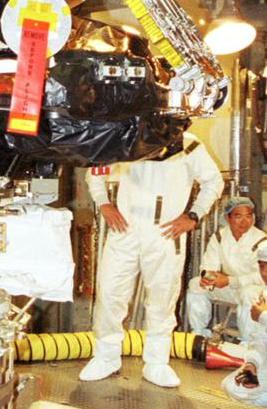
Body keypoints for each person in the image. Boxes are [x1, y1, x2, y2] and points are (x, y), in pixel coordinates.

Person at [81, 134, 224, 387]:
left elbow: (213, 181)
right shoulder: (126, 137)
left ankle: (157, 363)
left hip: (166, 232)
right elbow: (96, 170)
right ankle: (105, 357)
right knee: (110, 294)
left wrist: (193, 215)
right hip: (125, 229)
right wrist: (103, 203)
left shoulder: (187, 144)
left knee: (162, 298)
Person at [185, 196, 266, 338]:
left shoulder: (262, 240)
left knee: (248, 294)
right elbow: (208, 264)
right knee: (196, 284)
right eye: (238, 216)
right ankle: (199, 335)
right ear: (228, 218)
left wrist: (230, 281)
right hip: (229, 288)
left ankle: (248, 342)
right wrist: (208, 278)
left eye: (248, 216)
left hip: (257, 289)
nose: (244, 221)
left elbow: (262, 276)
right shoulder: (219, 237)